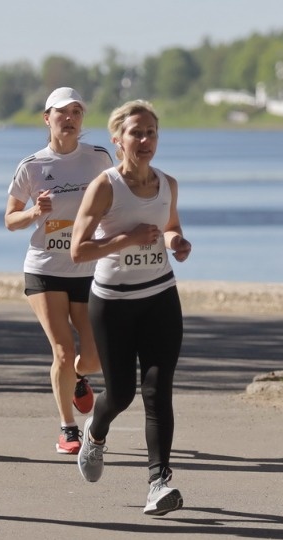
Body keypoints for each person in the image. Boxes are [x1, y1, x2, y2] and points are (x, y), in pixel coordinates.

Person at [70, 99, 192, 516]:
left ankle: (159, 483)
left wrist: (176, 242)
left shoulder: (167, 183)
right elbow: (78, 250)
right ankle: (96, 431)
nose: (145, 141)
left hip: (160, 298)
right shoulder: (105, 186)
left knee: (158, 392)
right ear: (117, 139)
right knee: (121, 393)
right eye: (136, 133)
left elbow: (170, 225)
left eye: (151, 133)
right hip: (113, 304)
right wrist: (127, 240)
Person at [5, 87, 112, 455]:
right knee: (63, 352)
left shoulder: (98, 158)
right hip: (44, 268)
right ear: (46, 118)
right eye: (61, 113)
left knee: (93, 357)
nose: (69, 119)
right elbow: (10, 219)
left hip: (87, 268)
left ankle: (79, 380)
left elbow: (114, 202)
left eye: (76, 113)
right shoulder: (32, 166)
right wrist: (35, 213)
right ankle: (68, 428)